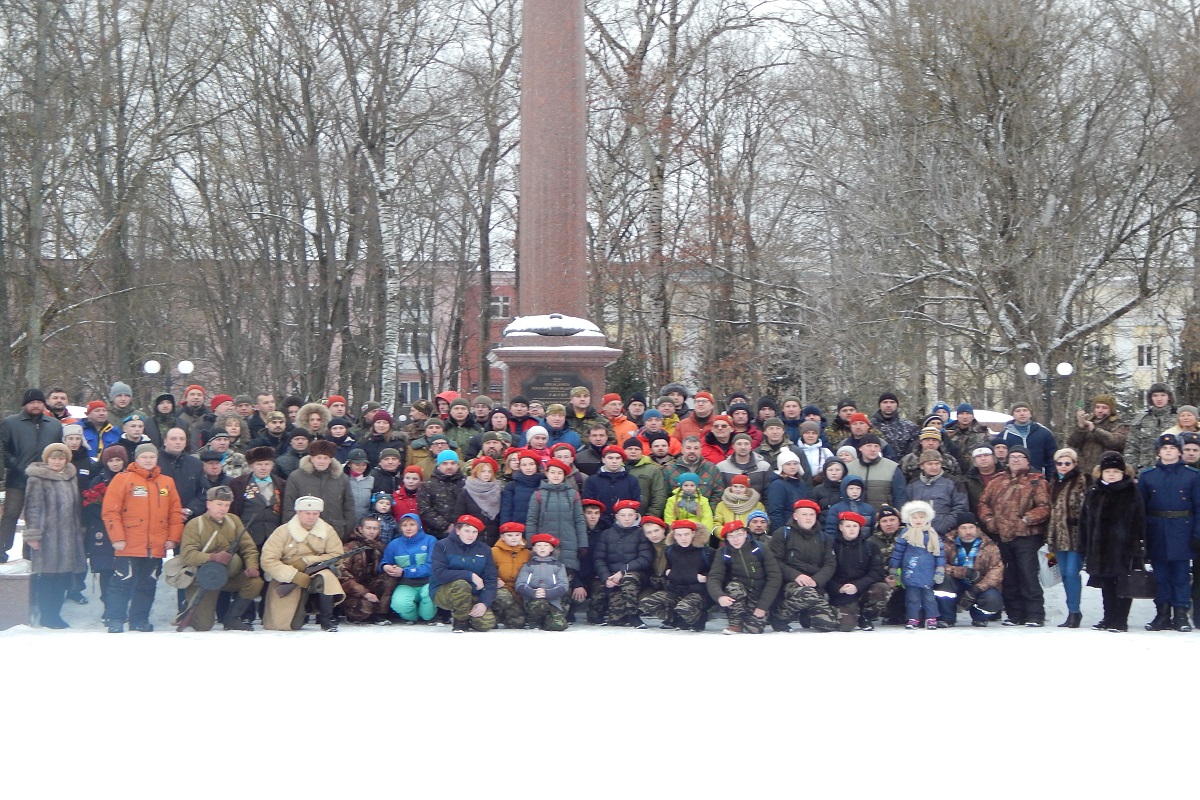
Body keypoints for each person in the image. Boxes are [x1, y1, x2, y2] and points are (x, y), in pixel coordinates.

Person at [100, 443, 184, 632]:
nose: (148, 460)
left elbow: (175, 513)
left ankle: (139, 620)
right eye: (144, 457)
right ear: (136, 459)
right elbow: (110, 512)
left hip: (155, 544)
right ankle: (115, 619)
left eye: (151, 457)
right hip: (128, 543)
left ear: (157, 459)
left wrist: (173, 538)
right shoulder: (123, 479)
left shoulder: (166, 482)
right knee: (122, 582)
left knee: (148, 584)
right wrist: (117, 538)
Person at [977, 446, 1051, 627]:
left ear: (1027, 461)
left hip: (1026, 536)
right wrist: (989, 519)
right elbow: (983, 502)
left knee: (1027, 575)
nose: (1016, 460)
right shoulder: (997, 480)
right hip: (1001, 536)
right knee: (1009, 576)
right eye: (1013, 457)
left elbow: (1045, 507)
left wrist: (1027, 519)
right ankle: (1014, 614)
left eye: (1020, 457)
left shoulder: (1037, 481)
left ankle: (1034, 614)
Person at [177, 486, 264, 631]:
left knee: (255, 583)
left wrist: (252, 566)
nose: (223, 509)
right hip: (204, 578)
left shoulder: (233, 521)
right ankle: (189, 607)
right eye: (219, 504)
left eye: (227, 505)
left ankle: (231, 619)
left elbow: (248, 547)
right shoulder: (195, 525)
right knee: (203, 626)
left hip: (228, 576)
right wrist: (212, 557)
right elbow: (187, 555)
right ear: (208, 504)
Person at [1137, 434, 1200, 632]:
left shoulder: (1192, 475)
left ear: (1180, 452)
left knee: (1181, 575)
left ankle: (1180, 613)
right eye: (1164, 449)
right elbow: (1140, 509)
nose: (1168, 451)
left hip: (1183, 529)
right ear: (1158, 452)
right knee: (1161, 575)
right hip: (1157, 530)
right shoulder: (1148, 476)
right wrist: (1141, 537)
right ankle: (1162, 613)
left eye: (1173, 448)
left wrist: (1197, 534)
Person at [1078, 451, 1145, 632]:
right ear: (1101, 472)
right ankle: (1108, 617)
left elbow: (1139, 520)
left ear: (1123, 472)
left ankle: (1120, 619)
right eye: (1108, 471)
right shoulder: (1094, 491)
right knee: (1106, 584)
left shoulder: (1131, 491)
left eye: (1116, 470)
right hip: (1100, 547)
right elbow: (1084, 520)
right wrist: (1084, 543)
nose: (1112, 474)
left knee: (1123, 583)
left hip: (1123, 548)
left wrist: (1137, 546)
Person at [22, 442, 86, 628]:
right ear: (46, 459)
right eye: (53, 458)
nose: (57, 462)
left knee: (63, 577)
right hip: (48, 536)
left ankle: (55, 614)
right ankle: (47, 615)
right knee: (48, 576)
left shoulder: (69, 477)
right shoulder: (37, 478)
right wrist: (34, 535)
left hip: (69, 536)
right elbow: (32, 508)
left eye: (61, 458)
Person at [260, 495, 347, 631]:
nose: (311, 517)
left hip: (315, 573)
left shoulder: (327, 531)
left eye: (315, 513)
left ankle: (326, 618)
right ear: (298, 512)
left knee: (326, 577)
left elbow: (337, 555)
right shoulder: (282, 532)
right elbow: (268, 560)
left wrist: (309, 560)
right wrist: (293, 576)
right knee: (284, 625)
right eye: (307, 513)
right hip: (287, 578)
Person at [1, 389, 65, 561]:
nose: (35, 405)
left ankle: (30, 549)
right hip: (18, 477)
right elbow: (4, 449)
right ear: (25, 404)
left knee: (37, 515)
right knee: (11, 514)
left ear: (44, 404)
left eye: (39, 402)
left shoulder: (54, 425)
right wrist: (15, 465)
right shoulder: (10, 423)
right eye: (31, 402)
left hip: (45, 478)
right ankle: (2, 547)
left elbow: (59, 449)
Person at [766, 500, 838, 632]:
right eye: (804, 514)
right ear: (795, 516)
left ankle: (806, 615)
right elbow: (774, 561)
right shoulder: (782, 534)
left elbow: (830, 563)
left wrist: (816, 580)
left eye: (812, 514)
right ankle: (779, 616)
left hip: (815, 584)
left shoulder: (824, 537)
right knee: (808, 594)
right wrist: (796, 575)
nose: (808, 517)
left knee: (828, 624)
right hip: (790, 582)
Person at [708, 520, 782, 634]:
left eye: (739, 535)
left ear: (745, 534)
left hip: (760, 594)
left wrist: (763, 605)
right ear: (726, 539)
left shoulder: (760, 548)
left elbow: (775, 577)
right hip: (739, 593)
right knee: (734, 587)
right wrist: (719, 596)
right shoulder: (723, 553)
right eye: (731, 536)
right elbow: (714, 577)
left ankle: (753, 617)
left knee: (754, 629)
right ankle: (735, 623)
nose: (735, 539)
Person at [636, 520, 711, 631]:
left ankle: (698, 619)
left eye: (686, 534)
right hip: (676, 590)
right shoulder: (670, 551)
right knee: (646, 604)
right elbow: (669, 572)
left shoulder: (706, 552)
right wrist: (690, 576)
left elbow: (711, 575)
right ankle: (676, 621)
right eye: (679, 535)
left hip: (698, 592)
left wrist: (702, 578)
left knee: (684, 608)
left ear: (693, 534)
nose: (683, 538)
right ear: (674, 535)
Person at [429, 514, 499, 632]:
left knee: (485, 624)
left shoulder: (485, 550)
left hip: (474, 593)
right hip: (444, 592)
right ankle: (460, 621)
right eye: (467, 531)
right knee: (461, 584)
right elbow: (439, 574)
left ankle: (470, 614)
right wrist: (470, 575)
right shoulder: (442, 545)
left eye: (474, 532)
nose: (470, 535)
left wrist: (484, 603)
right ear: (457, 530)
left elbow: (491, 578)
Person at [590, 499, 653, 626]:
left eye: (630, 515)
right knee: (615, 620)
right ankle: (599, 613)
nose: (626, 519)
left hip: (634, 574)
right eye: (623, 515)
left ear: (635, 516)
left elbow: (645, 558)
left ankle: (632, 614)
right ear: (617, 516)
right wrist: (606, 577)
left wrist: (623, 571)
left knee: (629, 579)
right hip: (611, 575)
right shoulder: (607, 534)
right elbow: (599, 558)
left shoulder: (641, 533)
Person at [936, 513, 1004, 627]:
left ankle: (979, 617)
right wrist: (962, 572)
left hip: (979, 584)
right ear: (957, 530)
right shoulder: (946, 543)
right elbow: (939, 564)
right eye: (963, 528)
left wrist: (976, 589)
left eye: (971, 527)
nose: (968, 532)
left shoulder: (989, 545)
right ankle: (947, 618)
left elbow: (997, 570)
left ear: (977, 529)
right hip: (955, 583)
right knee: (943, 582)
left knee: (994, 599)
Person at [282, 439, 356, 540]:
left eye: (326, 458)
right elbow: (289, 507)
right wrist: (292, 531)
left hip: (335, 533)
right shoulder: (296, 477)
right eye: (319, 457)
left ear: (330, 460)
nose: (322, 461)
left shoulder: (342, 478)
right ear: (312, 458)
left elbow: (349, 507)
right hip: (304, 534)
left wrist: (346, 531)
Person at [1047, 447, 1088, 627]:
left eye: (1067, 463)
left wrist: (1077, 520)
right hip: (1056, 536)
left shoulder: (1082, 480)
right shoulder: (1052, 481)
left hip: (1075, 535)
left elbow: (1088, 506)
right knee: (1062, 573)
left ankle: (1074, 611)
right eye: (1060, 463)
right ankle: (1071, 611)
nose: (1063, 466)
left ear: (1074, 464)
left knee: (1072, 573)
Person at [889, 500, 945, 630]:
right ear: (909, 518)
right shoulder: (905, 534)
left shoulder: (932, 534)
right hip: (911, 571)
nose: (918, 520)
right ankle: (913, 618)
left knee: (929, 597)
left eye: (921, 517)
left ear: (927, 518)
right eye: (914, 517)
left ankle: (931, 618)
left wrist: (940, 568)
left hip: (927, 571)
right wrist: (894, 567)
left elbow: (940, 553)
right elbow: (898, 552)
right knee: (912, 597)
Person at [826, 511, 887, 631]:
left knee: (883, 588)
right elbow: (825, 572)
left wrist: (857, 586)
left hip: (863, 590)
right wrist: (838, 588)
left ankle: (865, 616)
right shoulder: (830, 546)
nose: (852, 529)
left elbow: (877, 571)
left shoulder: (870, 547)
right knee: (846, 626)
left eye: (855, 526)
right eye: (848, 526)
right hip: (840, 593)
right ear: (840, 527)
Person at [381, 512, 438, 623]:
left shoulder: (430, 541)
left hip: (428, 582)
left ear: (419, 525)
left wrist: (404, 571)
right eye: (405, 525)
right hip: (405, 584)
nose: (408, 528)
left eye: (412, 524)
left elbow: (432, 566)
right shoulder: (394, 544)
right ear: (400, 528)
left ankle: (426, 616)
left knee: (428, 608)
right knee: (399, 604)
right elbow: (385, 561)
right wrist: (385, 567)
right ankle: (413, 617)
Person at [336, 516, 394, 624]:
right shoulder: (349, 548)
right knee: (361, 612)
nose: (372, 532)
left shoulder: (381, 547)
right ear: (361, 529)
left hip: (372, 585)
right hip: (353, 591)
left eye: (375, 529)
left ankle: (380, 614)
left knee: (389, 577)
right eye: (368, 528)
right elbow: (343, 576)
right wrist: (364, 593)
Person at [515, 533, 572, 631]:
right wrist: (533, 593)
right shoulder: (528, 565)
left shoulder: (558, 566)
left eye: (546, 545)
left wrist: (547, 593)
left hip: (553, 601)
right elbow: (520, 585)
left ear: (551, 549)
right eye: (539, 545)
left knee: (559, 626)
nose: (542, 548)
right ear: (534, 549)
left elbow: (563, 585)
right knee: (540, 604)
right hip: (534, 600)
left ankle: (547, 621)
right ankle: (534, 621)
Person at [1065, 394, 1128, 476]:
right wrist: (1080, 427)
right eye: (1097, 407)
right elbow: (1072, 443)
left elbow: (1117, 442)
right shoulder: (1087, 422)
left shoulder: (1119, 424)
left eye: (1104, 408)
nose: (1100, 410)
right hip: (1084, 472)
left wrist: (1095, 431)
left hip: (1107, 471)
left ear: (1111, 410)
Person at [1126, 382, 1178, 472]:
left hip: (1173, 470)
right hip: (1145, 470)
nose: (1159, 399)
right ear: (1150, 398)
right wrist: (1131, 472)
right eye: (1155, 395)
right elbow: (1132, 448)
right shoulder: (1141, 420)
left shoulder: (1178, 418)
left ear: (1169, 397)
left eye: (1163, 395)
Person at [490, 521, 532, 628]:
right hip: (501, 588)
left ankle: (507, 616)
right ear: (502, 537)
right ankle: (493, 614)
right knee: (503, 597)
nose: (514, 538)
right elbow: (487, 569)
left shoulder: (527, 553)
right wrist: (496, 579)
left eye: (517, 535)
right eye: (510, 535)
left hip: (518, 590)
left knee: (517, 623)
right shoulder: (494, 551)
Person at [999, 402, 1058, 477]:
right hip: (1012, 481)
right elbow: (999, 460)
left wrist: (1050, 478)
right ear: (1013, 415)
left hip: (1039, 479)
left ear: (1030, 414)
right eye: (1018, 411)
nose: (1022, 413)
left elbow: (1052, 458)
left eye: (1025, 410)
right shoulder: (1003, 436)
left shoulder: (1045, 433)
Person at [418, 450, 465, 538]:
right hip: (437, 534)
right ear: (438, 466)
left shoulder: (467, 484)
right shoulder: (427, 485)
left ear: (458, 465)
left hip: (465, 532)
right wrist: (445, 526)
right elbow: (425, 510)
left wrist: (461, 525)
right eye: (445, 463)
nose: (449, 466)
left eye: (453, 463)